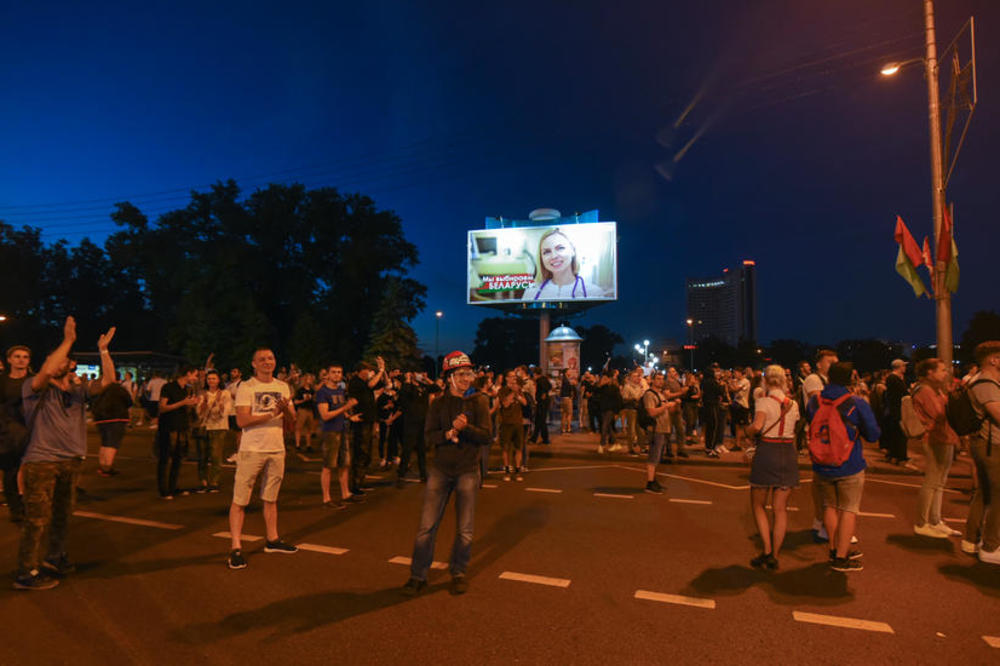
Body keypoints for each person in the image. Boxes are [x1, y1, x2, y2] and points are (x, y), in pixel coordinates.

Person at [14, 318, 116, 590]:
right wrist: (68, 340)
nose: (57, 362)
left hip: (71, 459)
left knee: (62, 515)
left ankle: (54, 557)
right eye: (53, 359)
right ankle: (26, 571)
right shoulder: (33, 387)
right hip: (42, 460)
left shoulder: (78, 390)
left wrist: (103, 351)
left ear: (70, 364)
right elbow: (47, 369)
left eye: (63, 359)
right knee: (36, 519)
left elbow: (109, 381)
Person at [401, 351, 490, 596]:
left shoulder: (479, 402)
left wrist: (466, 428)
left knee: (465, 528)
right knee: (426, 527)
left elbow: (487, 436)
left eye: (469, 373)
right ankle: (418, 575)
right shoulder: (438, 404)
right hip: (440, 470)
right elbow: (428, 437)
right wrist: (448, 435)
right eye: (461, 374)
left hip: (467, 471)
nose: (466, 378)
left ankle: (458, 572)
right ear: (449, 377)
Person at [806, 362, 881, 573]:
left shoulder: (815, 401)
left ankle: (832, 548)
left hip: (821, 462)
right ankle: (841, 555)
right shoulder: (855, 403)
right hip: (849, 463)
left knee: (829, 506)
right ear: (850, 379)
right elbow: (873, 434)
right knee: (848, 510)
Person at [227, 348, 298, 570]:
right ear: (254, 364)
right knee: (240, 500)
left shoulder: (282, 386)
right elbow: (242, 420)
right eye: (262, 359)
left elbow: (292, 418)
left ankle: (272, 539)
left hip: (276, 448)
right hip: (252, 450)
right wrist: (271, 414)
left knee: (271, 497)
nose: (267, 362)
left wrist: (286, 410)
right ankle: (236, 548)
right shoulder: (246, 387)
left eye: (271, 358)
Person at [745, 365, 800, 570]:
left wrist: (747, 430)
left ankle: (766, 550)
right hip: (787, 452)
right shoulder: (793, 404)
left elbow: (757, 427)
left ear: (766, 381)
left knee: (758, 504)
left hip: (768, 451)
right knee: (780, 509)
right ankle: (775, 555)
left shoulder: (763, 402)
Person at [910, 358, 961, 538]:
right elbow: (940, 413)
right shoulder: (925, 390)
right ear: (930, 372)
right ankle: (921, 522)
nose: (946, 373)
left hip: (944, 436)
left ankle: (935, 520)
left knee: (939, 482)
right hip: (934, 438)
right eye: (942, 370)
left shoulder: (935, 389)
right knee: (932, 481)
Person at [964, 341, 1000, 564]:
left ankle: (971, 539)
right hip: (992, 445)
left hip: (985, 444)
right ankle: (990, 546)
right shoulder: (986, 383)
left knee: (984, 493)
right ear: (993, 360)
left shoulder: (983, 381)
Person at [802, 349, 838, 543]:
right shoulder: (814, 380)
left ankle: (821, 520)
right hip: (820, 434)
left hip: (828, 434)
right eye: (830, 362)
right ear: (819, 364)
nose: (834, 365)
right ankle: (824, 522)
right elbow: (821, 402)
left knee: (822, 480)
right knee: (825, 481)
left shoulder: (828, 381)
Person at [315, 365, 360, 508]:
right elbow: (325, 415)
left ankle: (345, 493)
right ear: (327, 374)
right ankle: (326, 499)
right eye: (333, 372)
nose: (336, 375)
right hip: (330, 432)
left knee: (344, 464)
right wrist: (345, 408)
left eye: (339, 372)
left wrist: (349, 416)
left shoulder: (340, 390)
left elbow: (339, 409)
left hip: (342, 429)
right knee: (328, 466)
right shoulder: (322, 392)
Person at [521, 228, 605, 301]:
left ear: (573, 251)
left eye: (560, 248)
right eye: (546, 252)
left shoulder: (594, 292)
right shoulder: (531, 293)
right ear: (541, 258)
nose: (554, 256)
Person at [156, 366, 200, 499]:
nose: (196, 379)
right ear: (188, 373)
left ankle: (173, 487)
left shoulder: (186, 389)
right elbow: (162, 408)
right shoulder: (168, 387)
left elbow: (185, 407)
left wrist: (192, 404)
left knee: (178, 459)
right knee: (164, 460)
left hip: (182, 427)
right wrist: (183, 402)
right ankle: (163, 490)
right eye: (195, 375)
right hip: (168, 428)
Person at [1, 345, 31, 522]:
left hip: (32, 431)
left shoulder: (34, 380)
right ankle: (15, 507)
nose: (21, 360)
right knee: (11, 471)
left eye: (25, 357)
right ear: (9, 359)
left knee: (30, 469)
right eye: (17, 356)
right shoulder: (2, 381)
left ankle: (28, 502)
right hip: (8, 433)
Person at [348, 357, 385, 496]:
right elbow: (371, 385)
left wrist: (383, 370)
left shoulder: (365, 382)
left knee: (367, 453)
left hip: (368, 421)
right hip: (360, 422)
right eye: (367, 370)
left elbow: (383, 384)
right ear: (359, 371)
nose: (369, 372)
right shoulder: (356, 382)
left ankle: (361, 482)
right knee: (360, 453)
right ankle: (354, 485)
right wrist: (380, 369)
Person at [91, 372, 133, 477]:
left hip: (101, 419)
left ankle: (103, 465)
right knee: (112, 443)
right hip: (116, 418)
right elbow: (129, 402)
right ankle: (107, 467)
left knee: (105, 443)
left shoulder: (101, 389)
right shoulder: (119, 389)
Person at [196, 369, 231, 493]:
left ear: (219, 380)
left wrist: (221, 408)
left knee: (216, 456)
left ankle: (214, 482)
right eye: (209, 379)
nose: (211, 381)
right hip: (204, 427)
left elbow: (226, 412)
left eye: (213, 378)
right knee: (202, 456)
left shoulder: (225, 393)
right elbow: (198, 413)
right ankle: (203, 481)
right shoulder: (202, 394)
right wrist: (202, 407)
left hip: (219, 427)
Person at [642, 372, 676, 494]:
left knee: (657, 457)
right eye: (658, 379)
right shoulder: (649, 395)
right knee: (653, 456)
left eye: (662, 379)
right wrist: (666, 406)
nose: (660, 381)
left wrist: (672, 404)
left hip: (663, 428)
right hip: (656, 429)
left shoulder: (660, 394)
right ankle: (650, 483)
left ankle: (653, 480)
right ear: (652, 381)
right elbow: (651, 412)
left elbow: (668, 410)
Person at [497, 370, 527, 482]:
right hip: (506, 423)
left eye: (515, 377)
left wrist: (518, 394)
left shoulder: (519, 391)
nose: (514, 379)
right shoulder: (503, 391)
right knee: (506, 448)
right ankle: (507, 471)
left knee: (519, 448)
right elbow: (505, 404)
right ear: (507, 378)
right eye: (512, 377)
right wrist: (513, 393)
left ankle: (518, 470)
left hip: (518, 423)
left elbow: (524, 403)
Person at [883, 359, 911, 467]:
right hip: (897, 410)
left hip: (893, 410)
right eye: (904, 366)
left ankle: (894, 455)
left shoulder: (892, 378)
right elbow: (904, 393)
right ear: (899, 367)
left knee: (895, 434)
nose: (905, 368)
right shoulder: (894, 378)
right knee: (900, 434)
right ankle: (900, 456)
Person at [558, 369, 575, 433]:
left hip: (563, 398)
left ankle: (563, 428)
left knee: (564, 414)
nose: (570, 372)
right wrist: (572, 384)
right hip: (567, 398)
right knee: (569, 414)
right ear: (566, 372)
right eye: (569, 371)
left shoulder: (564, 379)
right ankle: (568, 428)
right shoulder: (566, 380)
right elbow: (569, 390)